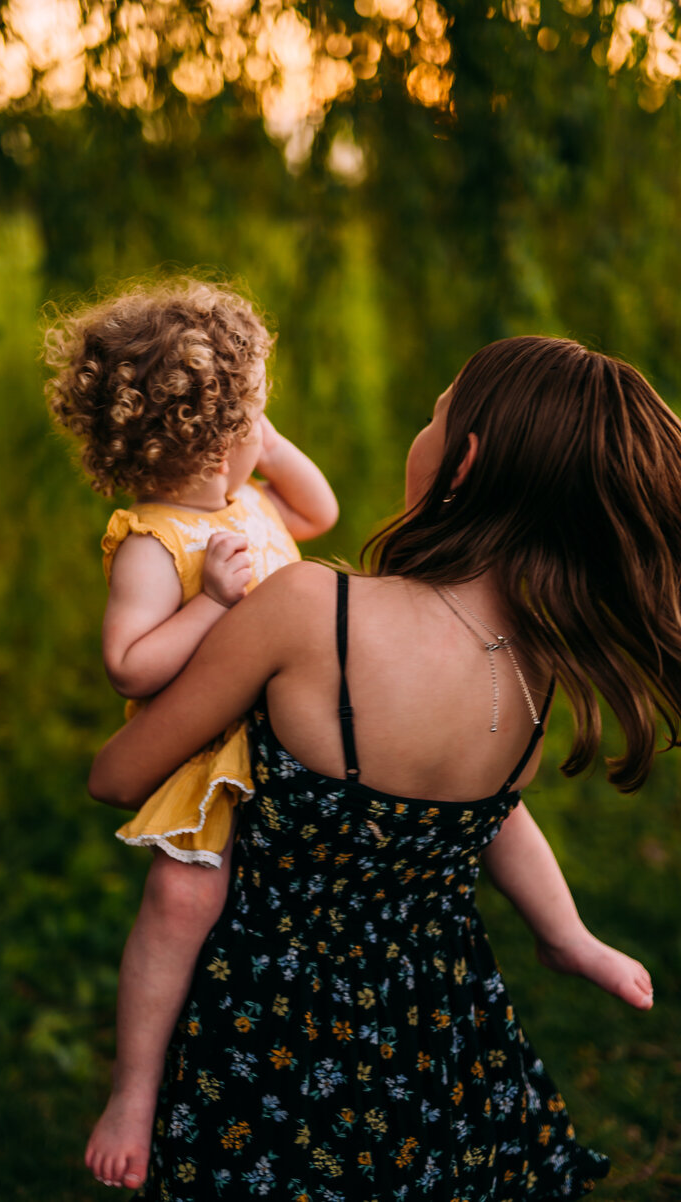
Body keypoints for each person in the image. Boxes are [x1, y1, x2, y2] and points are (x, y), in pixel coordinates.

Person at [87, 336, 675, 1200]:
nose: (424, 429)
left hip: (271, 1027)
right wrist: (566, 934)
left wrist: (204, 619)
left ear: (462, 462)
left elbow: (120, 776)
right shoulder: (535, 667)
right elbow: (492, 820)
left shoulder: (309, 610)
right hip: (440, 1035)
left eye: (436, 414)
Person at [44, 277, 339, 1190]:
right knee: (182, 904)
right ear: (215, 442)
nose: (265, 433)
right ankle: (134, 1088)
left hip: (295, 734)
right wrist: (211, 602)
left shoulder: (249, 506)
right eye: (254, 416)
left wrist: (271, 445)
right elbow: (130, 665)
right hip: (208, 752)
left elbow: (320, 513)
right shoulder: (154, 541)